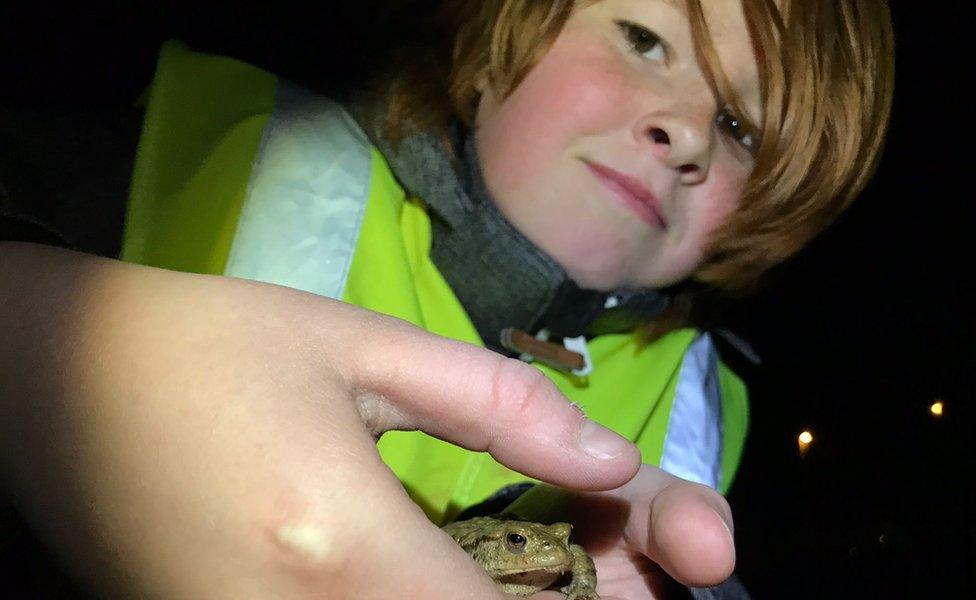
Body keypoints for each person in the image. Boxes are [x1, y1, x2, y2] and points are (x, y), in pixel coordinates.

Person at [0, 0, 894, 598]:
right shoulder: (221, 145)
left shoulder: (706, 412)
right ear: (508, 35)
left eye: (739, 127)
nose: (686, 130)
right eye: (643, 38)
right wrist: (43, 341)